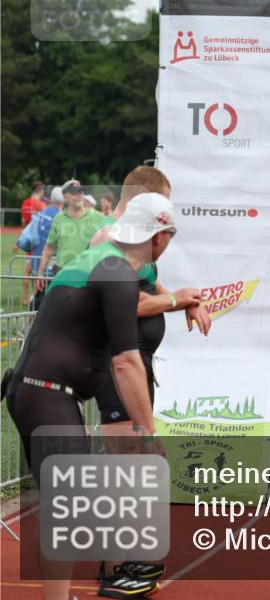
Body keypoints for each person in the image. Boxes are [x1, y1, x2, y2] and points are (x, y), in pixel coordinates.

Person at [4, 192, 177, 600]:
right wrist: (149, 434)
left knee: (63, 505)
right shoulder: (116, 272)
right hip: (47, 396)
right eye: (169, 233)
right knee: (69, 506)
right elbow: (126, 363)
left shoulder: (98, 263)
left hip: (37, 394)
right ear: (158, 237)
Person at [88, 166, 210, 596]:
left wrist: (185, 302)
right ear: (143, 199)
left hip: (137, 365)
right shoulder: (107, 238)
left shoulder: (133, 246)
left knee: (138, 470)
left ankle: (132, 561)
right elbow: (129, 304)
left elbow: (154, 291)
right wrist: (176, 301)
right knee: (128, 467)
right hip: (116, 366)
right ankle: (118, 567)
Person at [35, 180, 110, 289]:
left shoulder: (98, 218)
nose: (79, 196)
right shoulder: (58, 219)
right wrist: (40, 273)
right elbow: (49, 247)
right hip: (62, 275)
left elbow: (110, 242)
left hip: (87, 276)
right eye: (74, 193)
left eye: (81, 193)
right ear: (65, 197)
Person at [16, 186, 63, 310]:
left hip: (36, 262)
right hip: (51, 266)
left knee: (37, 296)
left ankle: (27, 326)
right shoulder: (61, 217)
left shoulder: (42, 213)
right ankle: (32, 327)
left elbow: (27, 237)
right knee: (47, 301)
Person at [17, 181, 46, 305]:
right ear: (41, 190)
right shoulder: (41, 205)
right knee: (37, 270)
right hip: (38, 242)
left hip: (28, 239)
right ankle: (34, 296)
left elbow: (23, 222)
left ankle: (24, 298)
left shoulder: (25, 203)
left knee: (27, 270)